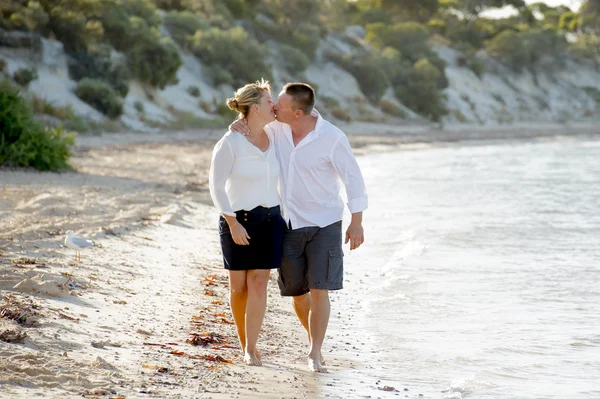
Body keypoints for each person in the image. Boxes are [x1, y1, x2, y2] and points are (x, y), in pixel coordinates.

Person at [230, 82, 368, 373]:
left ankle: (314, 351)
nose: (275, 107)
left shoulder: (331, 137)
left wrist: (357, 222)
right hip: (288, 223)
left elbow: (353, 179)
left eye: (280, 104)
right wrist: (237, 123)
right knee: (297, 292)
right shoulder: (276, 128)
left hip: (325, 223)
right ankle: (313, 336)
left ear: (297, 112)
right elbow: (252, 127)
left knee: (320, 289)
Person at [208, 79, 284, 366]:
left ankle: (251, 348)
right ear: (254, 107)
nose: (274, 105)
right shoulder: (230, 143)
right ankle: (244, 342)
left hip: (270, 220)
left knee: (259, 282)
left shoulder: (277, 135)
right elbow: (215, 186)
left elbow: (312, 117)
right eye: (268, 101)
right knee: (238, 287)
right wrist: (232, 223)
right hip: (238, 220)